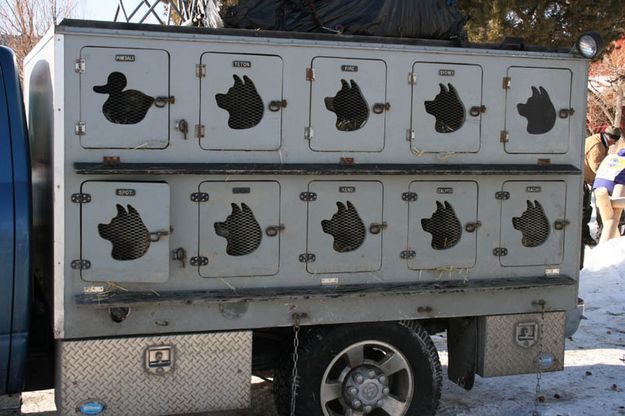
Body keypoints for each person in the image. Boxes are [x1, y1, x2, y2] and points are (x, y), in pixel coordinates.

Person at [582, 126, 621, 246]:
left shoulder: (598, 140)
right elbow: (596, 167)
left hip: (585, 177)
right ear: (609, 137)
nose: (614, 143)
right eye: (614, 140)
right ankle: (584, 236)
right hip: (583, 179)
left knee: (585, 208)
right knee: (584, 210)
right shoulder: (598, 146)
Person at [593, 148, 625, 244]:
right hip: (616, 188)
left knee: (603, 220)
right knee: (615, 221)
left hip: (598, 189)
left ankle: (602, 241)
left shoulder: (611, 157)